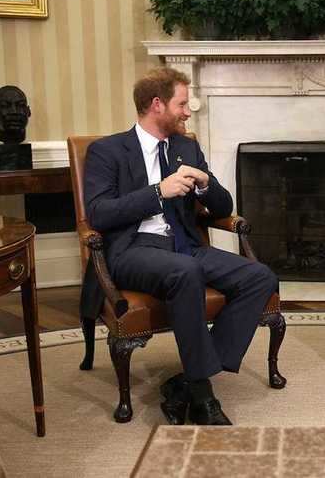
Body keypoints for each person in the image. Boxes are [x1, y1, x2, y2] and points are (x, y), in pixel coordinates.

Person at [83, 67, 278, 425]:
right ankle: (203, 395)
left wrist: (205, 184)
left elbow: (222, 207)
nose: (189, 112)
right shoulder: (107, 151)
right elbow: (98, 213)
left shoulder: (187, 147)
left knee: (260, 277)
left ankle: (185, 382)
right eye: (182, 103)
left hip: (185, 245)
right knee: (185, 271)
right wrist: (158, 192)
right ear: (157, 104)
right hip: (132, 249)